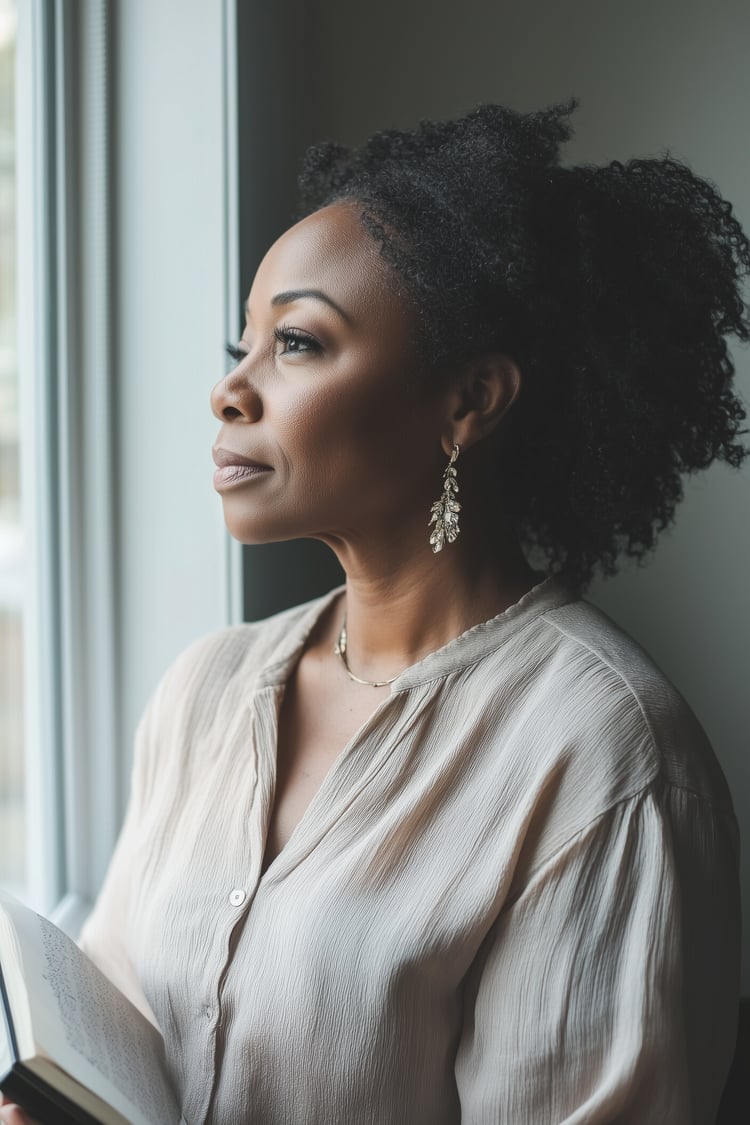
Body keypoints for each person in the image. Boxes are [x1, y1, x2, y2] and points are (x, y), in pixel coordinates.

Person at [2, 99, 746, 1125]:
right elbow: (111, 1051)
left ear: (468, 401)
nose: (231, 390)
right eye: (244, 342)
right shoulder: (205, 691)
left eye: (298, 343)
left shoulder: (601, 758)